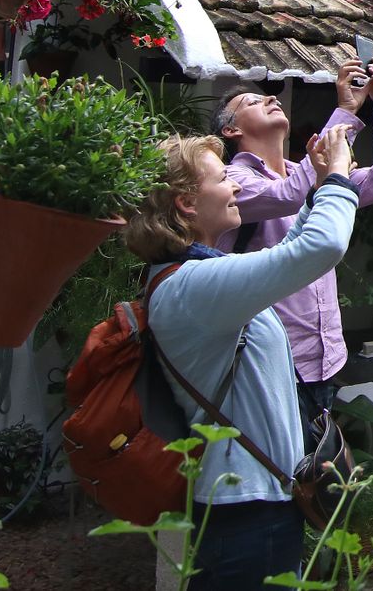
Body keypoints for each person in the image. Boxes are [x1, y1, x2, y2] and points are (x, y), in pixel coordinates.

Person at [121, 129, 357, 589]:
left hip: (253, 509)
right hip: (247, 517)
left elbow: (286, 255)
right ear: (187, 203)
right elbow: (321, 248)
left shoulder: (198, 278)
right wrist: (338, 177)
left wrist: (314, 192)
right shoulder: (194, 286)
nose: (234, 185)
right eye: (222, 177)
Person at [211, 57, 373, 416]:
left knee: (315, 467)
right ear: (231, 131)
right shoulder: (232, 181)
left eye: (269, 97)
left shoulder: (305, 171)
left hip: (325, 357)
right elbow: (289, 194)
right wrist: (346, 111)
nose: (270, 99)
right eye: (253, 102)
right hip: (268, 359)